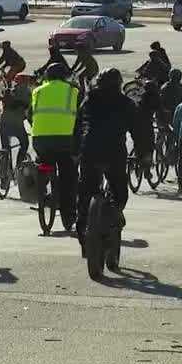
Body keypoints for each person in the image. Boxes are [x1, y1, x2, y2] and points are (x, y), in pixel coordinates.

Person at [74, 68, 151, 251]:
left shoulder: (89, 100)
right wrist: (143, 154)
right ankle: (115, 215)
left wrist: (74, 150)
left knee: (85, 192)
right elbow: (138, 132)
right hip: (114, 152)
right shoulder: (126, 103)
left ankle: (83, 230)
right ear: (118, 84)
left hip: (90, 151)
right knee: (118, 190)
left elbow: (78, 126)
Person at [31, 63, 80, 229]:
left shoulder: (37, 91)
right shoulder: (73, 91)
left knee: (44, 162)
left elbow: (31, 114)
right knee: (68, 176)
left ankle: (41, 187)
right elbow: (80, 120)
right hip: (65, 142)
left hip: (40, 141)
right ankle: (69, 216)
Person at [0, 73, 32, 163]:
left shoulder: (9, 91)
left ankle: (3, 169)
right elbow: (29, 113)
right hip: (17, 124)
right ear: (26, 82)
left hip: (4, 123)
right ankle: (18, 165)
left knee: (5, 147)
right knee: (25, 144)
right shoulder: (27, 93)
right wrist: (33, 125)